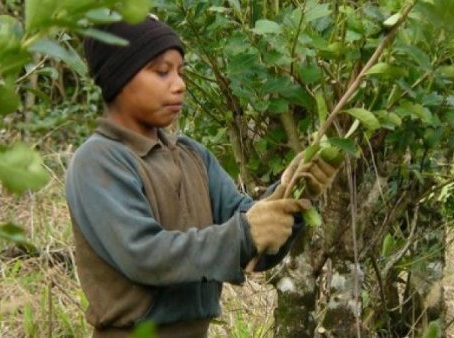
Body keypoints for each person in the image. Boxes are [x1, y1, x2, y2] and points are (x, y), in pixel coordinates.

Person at [65, 15, 340, 338]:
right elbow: (144, 255)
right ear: (119, 76)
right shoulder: (98, 160)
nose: (179, 84)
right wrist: (247, 233)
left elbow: (247, 233)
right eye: (161, 71)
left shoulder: (193, 155)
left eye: (180, 71)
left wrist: (289, 195)